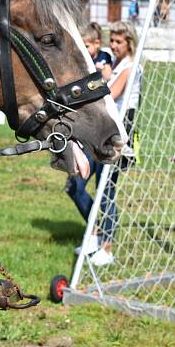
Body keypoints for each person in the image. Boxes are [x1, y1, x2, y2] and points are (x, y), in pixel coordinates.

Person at [65, 21, 141, 267]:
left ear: (129, 44)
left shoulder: (130, 67)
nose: (114, 46)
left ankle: (107, 248)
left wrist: (100, 79)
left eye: (119, 42)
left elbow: (112, 94)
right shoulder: (115, 64)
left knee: (105, 192)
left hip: (118, 138)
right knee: (75, 185)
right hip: (101, 133)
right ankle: (95, 234)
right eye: (113, 41)